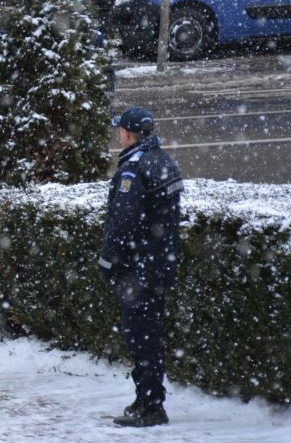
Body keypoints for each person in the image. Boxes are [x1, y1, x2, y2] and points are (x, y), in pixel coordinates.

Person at [99, 106, 183, 428]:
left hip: (138, 269)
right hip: (159, 265)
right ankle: (148, 398)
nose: (119, 134)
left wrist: (107, 262)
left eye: (120, 130)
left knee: (140, 338)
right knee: (151, 336)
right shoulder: (163, 160)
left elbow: (122, 223)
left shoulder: (133, 169)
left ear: (127, 134)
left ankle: (150, 405)